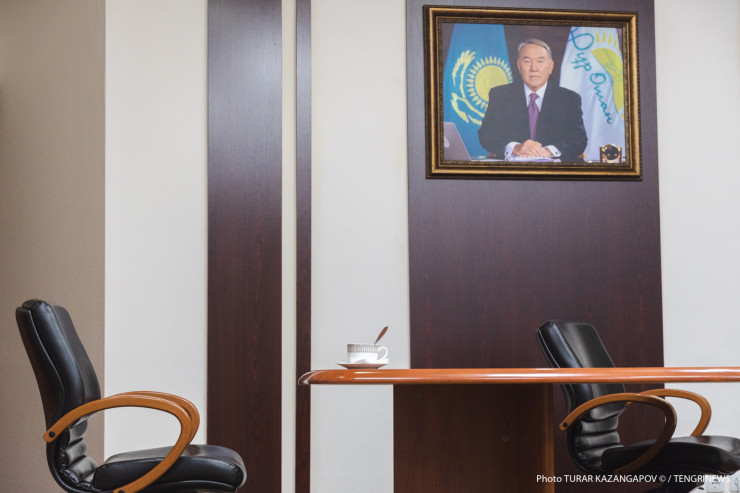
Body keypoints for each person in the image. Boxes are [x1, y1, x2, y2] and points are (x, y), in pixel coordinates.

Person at [478, 38, 587, 160]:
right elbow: (486, 135)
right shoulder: (500, 95)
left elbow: (579, 140)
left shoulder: (568, 99)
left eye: (540, 61)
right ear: (519, 66)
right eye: (527, 61)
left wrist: (547, 151)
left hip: (553, 169)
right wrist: (516, 148)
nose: (534, 68)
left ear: (550, 67)